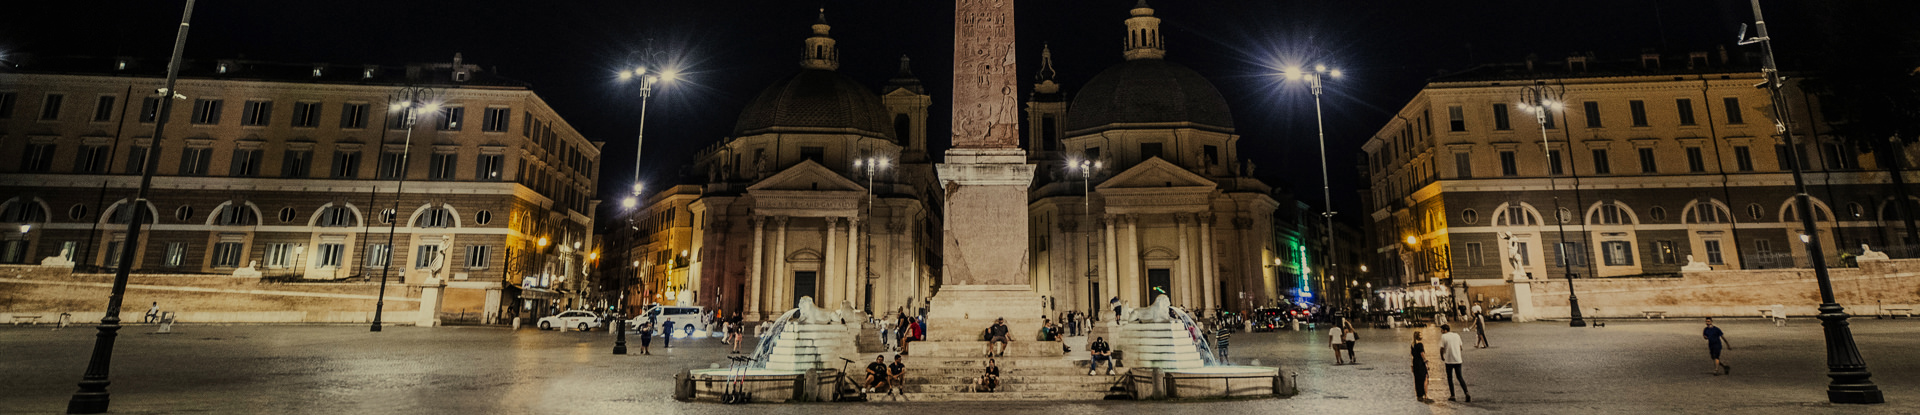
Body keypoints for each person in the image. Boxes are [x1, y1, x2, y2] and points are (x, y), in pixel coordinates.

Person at [1439, 324, 1470, 402]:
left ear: (1445, 330)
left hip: (1449, 360)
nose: (1441, 331)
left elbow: (1441, 348)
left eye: (1441, 330)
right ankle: (1466, 392)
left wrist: (1442, 356)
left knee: (1450, 378)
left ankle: (1452, 395)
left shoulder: (1444, 337)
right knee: (1460, 377)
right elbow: (1460, 347)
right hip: (1458, 359)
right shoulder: (1456, 335)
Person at [1411, 331, 1431, 403]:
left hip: (1415, 363)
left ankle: (1419, 395)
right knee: (1425, 378)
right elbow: (1422, 353)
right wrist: (1426, 361)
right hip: (1420, 363)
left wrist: (1412, 365)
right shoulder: (1420, 345)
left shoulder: (1412, 345)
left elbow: (1411, 355)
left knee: (1417, 379)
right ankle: (1425, 395)